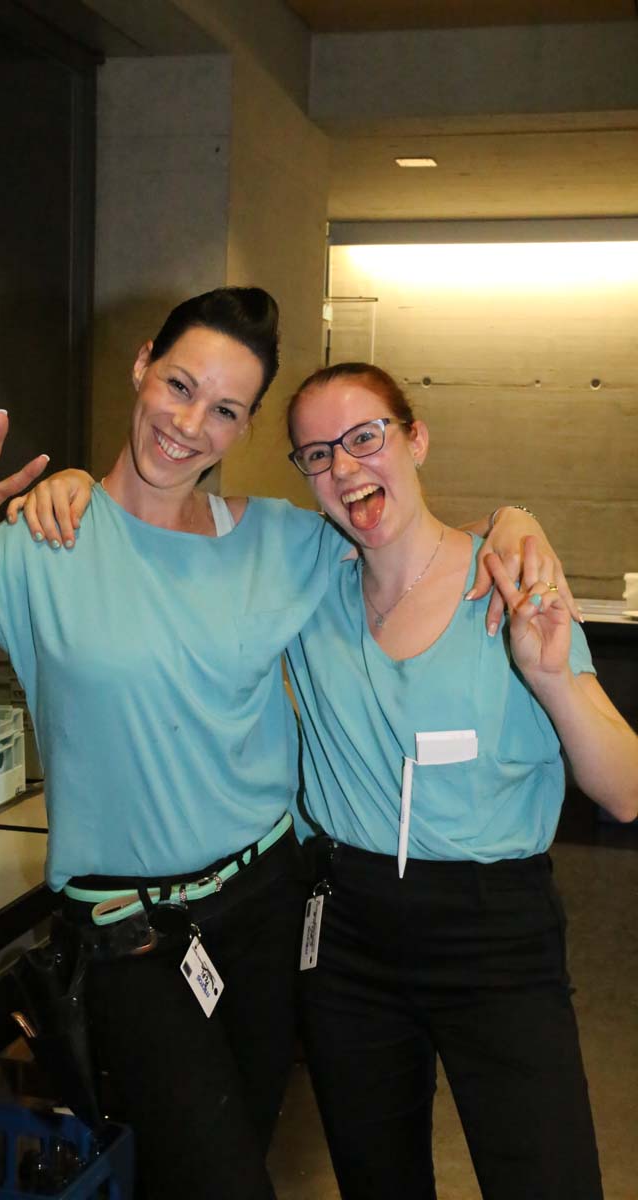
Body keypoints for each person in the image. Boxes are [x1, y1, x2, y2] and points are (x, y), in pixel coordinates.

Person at [0, 288, 567, 1200]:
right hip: (128, 935)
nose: (189, 425)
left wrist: (513, 520)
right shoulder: (42, 542)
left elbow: (409, 535)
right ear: (143, 364)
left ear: (245, 427)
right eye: (179, 386)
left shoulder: (280, 542)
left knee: (235, 1154)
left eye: (224, 409)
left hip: (267, 912)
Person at [277, 362, 638, 1200]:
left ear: (416, 440)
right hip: (347, 931)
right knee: (377, 1181)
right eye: (318, 454)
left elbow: (625, 791)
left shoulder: (510, 583)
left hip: (493, 930)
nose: (345, 466)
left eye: (365, 437)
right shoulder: (307, 584)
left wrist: (550, 677)